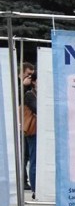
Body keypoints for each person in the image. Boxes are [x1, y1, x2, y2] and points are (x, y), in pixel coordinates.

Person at [22, 70, 37, 199]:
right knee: (34, 159)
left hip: (39, 131)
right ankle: (35, 188)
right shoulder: (29, 95)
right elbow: (37, 108)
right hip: (34, 131)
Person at [19, 62, 34, 191]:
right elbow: (17, 99)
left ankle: (24, 180)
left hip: (24, 125)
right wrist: (23, 87)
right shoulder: (20, 87)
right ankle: (22, 180)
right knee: (23, 154)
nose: (30, 77)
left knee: (26, 154)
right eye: (28, 74)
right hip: (21, 124)